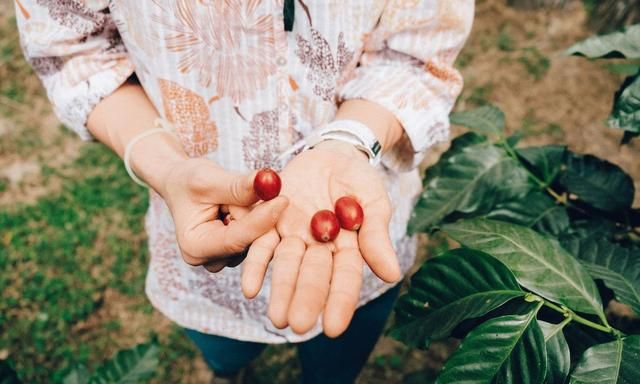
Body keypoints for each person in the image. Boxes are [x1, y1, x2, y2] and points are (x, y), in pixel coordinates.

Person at [16, 0, 474, 382]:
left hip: (356, 242)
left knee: (337, 360)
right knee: (224, 355)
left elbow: (417, 50)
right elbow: (74, 53)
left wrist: (351, 139)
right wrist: (168, 169)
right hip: (202, 238)